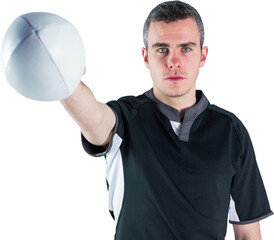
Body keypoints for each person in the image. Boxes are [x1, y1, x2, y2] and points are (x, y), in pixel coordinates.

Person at [61, 1, 273, 239]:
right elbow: (93, 119)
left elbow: (248, 234)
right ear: (146, 57)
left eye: (186, 49)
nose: (174, 61)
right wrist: (63, 80)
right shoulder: (125, 118)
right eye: (162, 49)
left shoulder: (230, 131)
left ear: (203, 55)